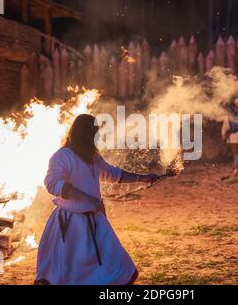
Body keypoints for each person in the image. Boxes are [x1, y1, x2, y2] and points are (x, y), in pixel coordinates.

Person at [35, 114, 160, 285]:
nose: (98, 136)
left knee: (119, 266)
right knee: (68, 274)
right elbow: (52, 183)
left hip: (95, 221)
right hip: (70, 225)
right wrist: (87, 199)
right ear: (84, 134)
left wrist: (142, 178)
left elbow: (113, 174)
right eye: (94, 132)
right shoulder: (63, 156)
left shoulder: (93, 158)